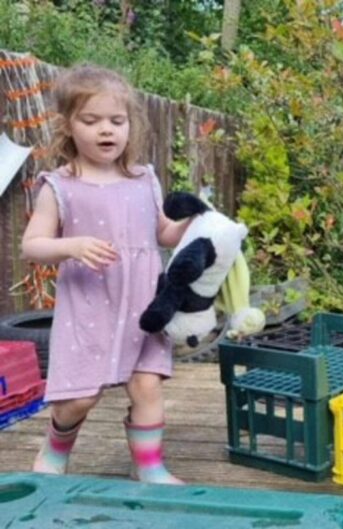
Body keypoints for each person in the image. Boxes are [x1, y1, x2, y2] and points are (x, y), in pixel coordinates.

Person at [22, 65, 190, 483]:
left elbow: (163, 234)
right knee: (79, 398)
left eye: (117, 121)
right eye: (91, 120)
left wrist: (194, 225)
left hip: (142, 305)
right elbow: (32, 245)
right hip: (90, 306)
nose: (106, 130)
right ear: (68, 125)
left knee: (147, 385)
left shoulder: (143, 178)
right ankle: (56, 447)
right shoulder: (60, 185)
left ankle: (150, 466)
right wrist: (72, 245)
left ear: (130, 125)